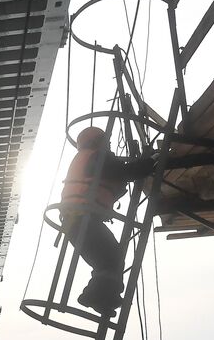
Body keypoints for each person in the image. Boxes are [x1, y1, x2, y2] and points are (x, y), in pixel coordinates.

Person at [58, 126, 153, 314]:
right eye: (106, 141)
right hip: (83, 220)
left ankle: (103, 300)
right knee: (112, 260)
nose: (109, 144)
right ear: (97, 142)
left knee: (108, 262)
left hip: (76, 222)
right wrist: (149, 163)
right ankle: (95, 296)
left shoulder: (86, 159)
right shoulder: (98, 157)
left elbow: (112, 179)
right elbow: (124, 172)